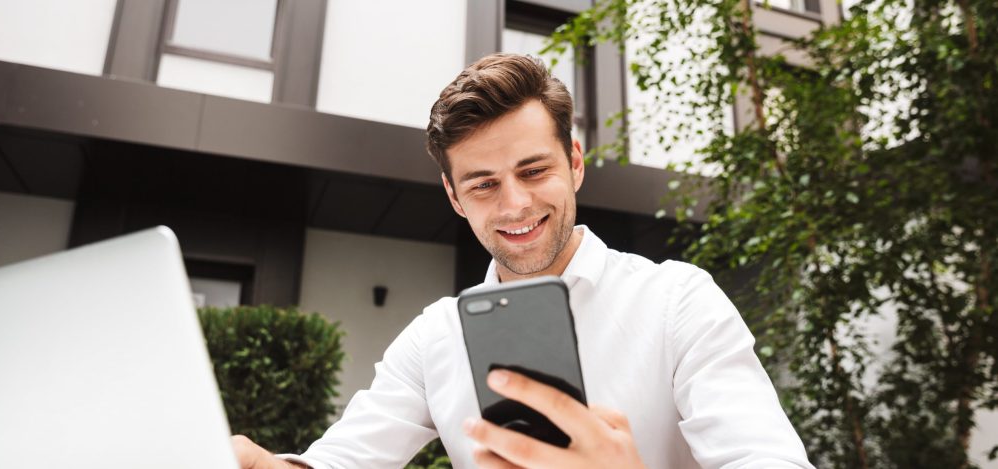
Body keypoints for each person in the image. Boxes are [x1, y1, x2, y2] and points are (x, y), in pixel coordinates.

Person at [232, 53, 814, 469]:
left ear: (575, 163)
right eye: (483, 185)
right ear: (455, 198)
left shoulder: (678, 300)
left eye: (534, 171)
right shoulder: (436, 336)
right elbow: (343, 460)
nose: (515, 204)